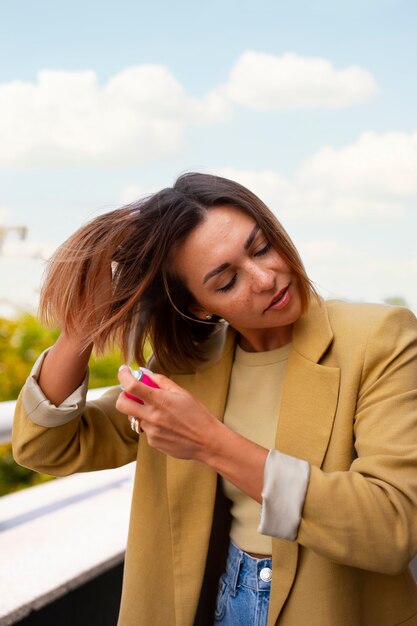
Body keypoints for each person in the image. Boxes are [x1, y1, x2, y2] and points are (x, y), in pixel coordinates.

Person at [12, 172, 417, 626]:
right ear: (198, 305)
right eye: (226, 282)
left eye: (261, 247)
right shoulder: (186, 367)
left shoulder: (380, 337)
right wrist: (83, 328)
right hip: (217, 602)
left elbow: (392, 527)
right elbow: (47, 446)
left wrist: (208, 441)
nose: (266, 278)